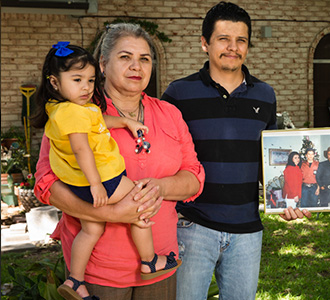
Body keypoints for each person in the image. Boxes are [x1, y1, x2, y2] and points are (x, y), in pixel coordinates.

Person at [33, 23, 204, 300]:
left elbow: (194, 176)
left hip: (160, 267)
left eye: (144, 59)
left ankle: (150, 259)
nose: (136, 66)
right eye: (125, 57)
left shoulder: (169, 114)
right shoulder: (76, 112)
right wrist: (111, 214)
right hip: (99, 271)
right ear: (102, 63)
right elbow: (46, 184)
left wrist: (157, 187)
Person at [160, 2, 310, 299]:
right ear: (205, 43)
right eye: (223, 39)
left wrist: (286, 200)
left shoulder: (265, 95)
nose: (233, 47)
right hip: (192, 226)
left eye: (241, 40)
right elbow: (164, 157)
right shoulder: (178, 93)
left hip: (248, 230)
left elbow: (268, 163)